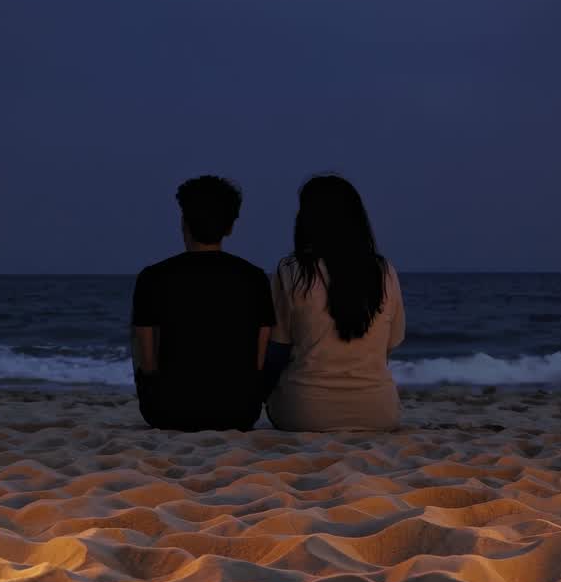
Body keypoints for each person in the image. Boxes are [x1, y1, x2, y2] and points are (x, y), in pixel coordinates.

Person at [131, 175, 274, 432]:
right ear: (229, 227)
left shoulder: (153, 277)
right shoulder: (254, 277)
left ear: (184, 222)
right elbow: (258, 361)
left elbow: (148, 362)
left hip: (167, 411)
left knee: (140, 332)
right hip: (239, 412)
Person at [264, 175, 405, 431]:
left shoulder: (291, 271)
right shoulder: (384, 271)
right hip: (379, 412)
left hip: (305, 411)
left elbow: (277, 350)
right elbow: (390, 345)